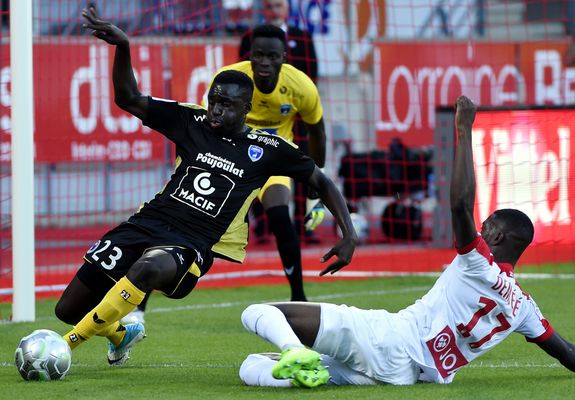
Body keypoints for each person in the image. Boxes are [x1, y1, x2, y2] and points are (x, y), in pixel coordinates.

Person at [54, 6, 357, 367]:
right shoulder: (191, 120)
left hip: (192, 243)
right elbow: (128, 98)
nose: (214, 111)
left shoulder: (268, 150)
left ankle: (62, 347)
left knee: (147, 270)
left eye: (225, 106)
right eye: (213, 102)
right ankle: (121, 333)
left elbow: (321, 180)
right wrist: (124, 47)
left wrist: (348, 233)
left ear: (247, 109)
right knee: (67, 308)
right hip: (146, 224)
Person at [237, 96, 575, 388]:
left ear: (497, 236)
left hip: (386, 338)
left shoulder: (479, 262)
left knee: (257, 312)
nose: (480, 229)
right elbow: (571, 355)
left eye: (486, 225)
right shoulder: (524, 307)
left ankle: (291, 349)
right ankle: (300, 362)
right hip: (406, 376)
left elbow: (459, 204)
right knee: (252, 368)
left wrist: (464, 130)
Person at [122, 24, 325, 324]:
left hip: (269, 161)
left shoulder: (302, 86)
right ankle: (139, 303)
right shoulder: (231, 81)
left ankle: (298, 296)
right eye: (258, 55)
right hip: (228, 160)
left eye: (272, 56)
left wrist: (315, 189)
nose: (264, 62)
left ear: (284, 58)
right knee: (180, 217)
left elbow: (317, 131)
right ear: (250, 56)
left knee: (280, 216)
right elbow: (205, 127)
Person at [239, 0, 319, 247]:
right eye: (270, 5)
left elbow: (312, 74)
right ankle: (263, 225)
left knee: (303, 167)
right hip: (262, 117)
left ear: (287, 9)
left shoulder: (303, 37)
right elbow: (243, 77)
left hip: (296, 115)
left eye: (278, 5)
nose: (274, 10)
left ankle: (304, 225)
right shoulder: (250, 38)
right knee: (254, 165)